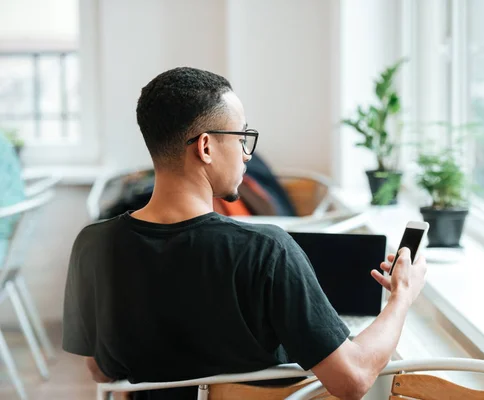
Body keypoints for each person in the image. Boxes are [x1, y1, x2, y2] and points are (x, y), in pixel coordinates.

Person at [62, 67, 427, 400]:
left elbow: (101, 368)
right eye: (241, 138)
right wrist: (402, 297)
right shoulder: (266, 251)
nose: (247, 154)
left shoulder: (92, 244)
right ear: (206, 146)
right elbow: (352, 379)